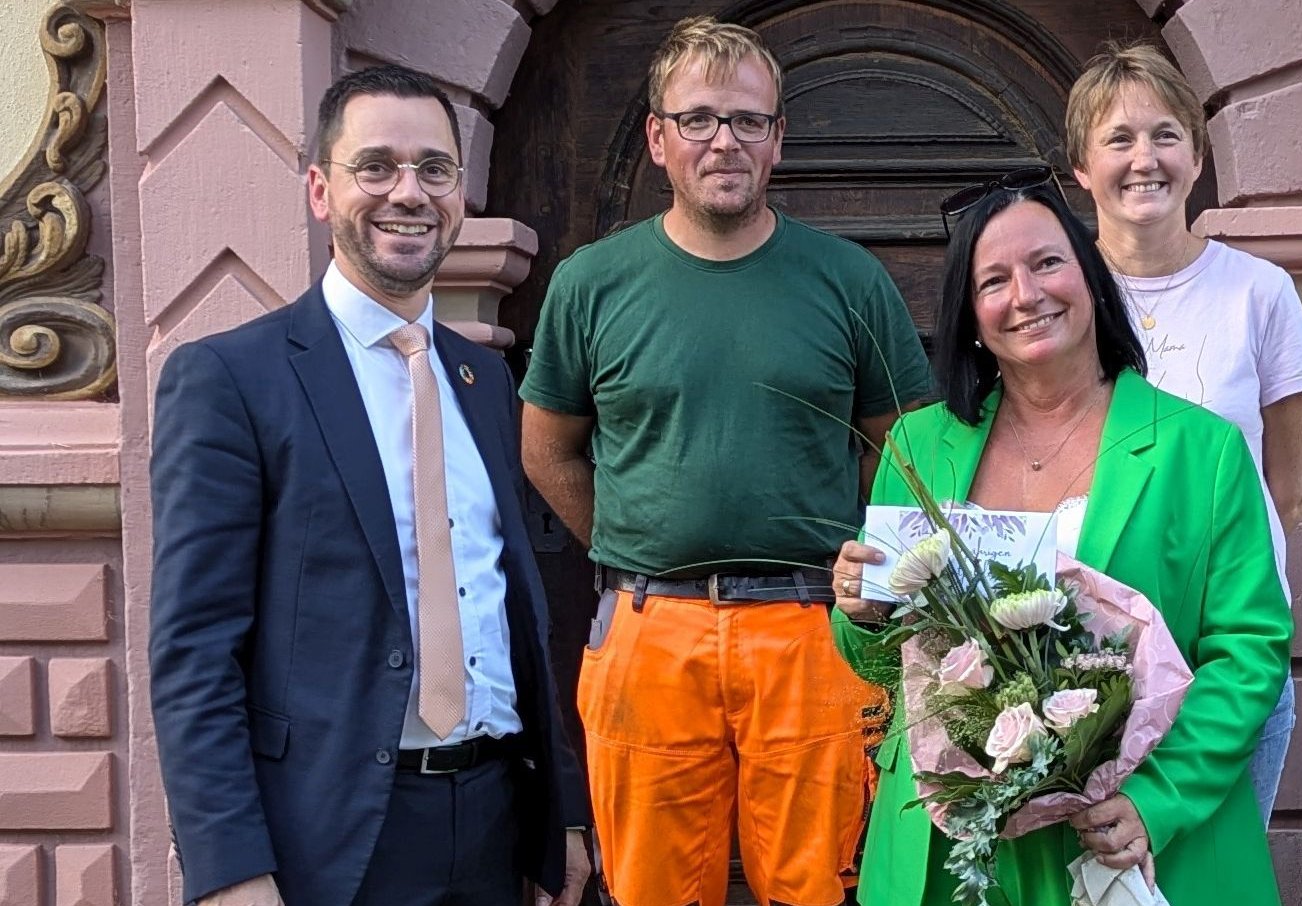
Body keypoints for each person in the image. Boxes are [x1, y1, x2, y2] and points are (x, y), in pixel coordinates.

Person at [149, 65, 591, 906]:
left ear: (458, 195)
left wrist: (561, 812)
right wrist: (229, 869)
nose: (409, 193)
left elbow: (515, 609)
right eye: (377, 166)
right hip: (333, 840)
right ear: (321, 190)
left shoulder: (483, 382)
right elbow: (195, 652)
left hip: (495, 823)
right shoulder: (231, 379)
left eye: (434, 169)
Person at [517, 16, 932, 906]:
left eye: (748, 120)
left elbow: (905, 451)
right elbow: (546, 449)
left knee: (820, 889)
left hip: (814, 629)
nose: (724, 141)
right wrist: (639, 540)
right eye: (698, 119)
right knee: (652, 891)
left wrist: (855, 573)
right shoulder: (590, 283)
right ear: (657, 137)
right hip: (649, 628)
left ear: (778, 138)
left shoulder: (848, 280)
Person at [829, 172, 1293, 906]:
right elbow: (884, 664)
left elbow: (1248, 651)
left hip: (1120, 833)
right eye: (994, 280)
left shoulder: (1201, 450)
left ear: (1090, 278)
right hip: (958, 851)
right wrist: (860, 612)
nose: (1026, 294)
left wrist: (1156, 799)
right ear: (970, 314)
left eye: (1047, 263)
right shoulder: (918, 446)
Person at [1066, 42, 1302, 822]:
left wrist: (1213, 587)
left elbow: (1290, 487)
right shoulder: (1059, 298)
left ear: (1198, 156)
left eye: (1165, 136)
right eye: (1118, 139)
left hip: (1226, 660)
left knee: (1218, 867)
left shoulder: (1260, 292)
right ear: (1080, 167)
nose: (1144, 159)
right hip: (1081, 663)